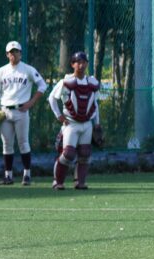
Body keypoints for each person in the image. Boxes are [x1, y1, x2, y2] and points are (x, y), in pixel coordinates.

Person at [0, 41, 47, 186]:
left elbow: (43, 85)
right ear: (7, 55)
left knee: (23, 143)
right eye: (11, 52)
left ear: (21, 53)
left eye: (16, 51)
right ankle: (8, 176)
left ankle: (27, 175)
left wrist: (31, 103)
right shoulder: (2, 71)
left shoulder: (28, 69)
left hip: (21, 111)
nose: (13, 54)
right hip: (5, 111)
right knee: (7, 144)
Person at [48, 51, 101, 190]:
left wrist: (97, 124)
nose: (81, 65)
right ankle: (57, 181)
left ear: (87, 64)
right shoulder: (66, 82)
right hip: (71, 123)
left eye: (84, 62)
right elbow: (52, 98)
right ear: (72, 64)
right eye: (78, 62)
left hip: (87, 124)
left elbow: (95, 104)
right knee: (68, 154)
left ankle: (80, 182)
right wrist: (58, 115)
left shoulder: (92, 82)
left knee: (85, 153)